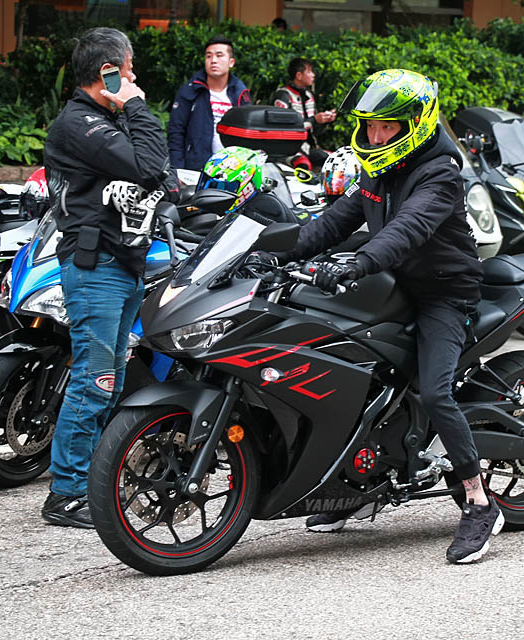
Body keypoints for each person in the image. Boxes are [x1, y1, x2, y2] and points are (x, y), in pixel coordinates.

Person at [277, 69, 501, 564]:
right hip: (395, 286)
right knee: (343, 365)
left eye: (387, 127)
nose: (375, 136)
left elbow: (407, 228)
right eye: (370, 126)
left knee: (433, 389)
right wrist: (276, 250)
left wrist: (356, 263)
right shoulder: (381, 165)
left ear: (415, 123)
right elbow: (337, 219)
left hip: (443, 292)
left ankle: (479, 501)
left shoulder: (439, 172)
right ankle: (356, 485)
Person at [41, 27, 178, 528]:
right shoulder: (80, 123)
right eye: (130, 68)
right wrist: (138, 107)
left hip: (124, 265)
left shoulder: (104, 122)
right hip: (94, 268)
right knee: (94, 381)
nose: (135, 78)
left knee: (112, 377)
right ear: (109, 73)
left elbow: (164, 179)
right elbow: (149, 165)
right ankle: (67, 493)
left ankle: (90, 480)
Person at [167, 35, 251, 171]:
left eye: (219, 55)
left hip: (232, 169)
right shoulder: (190, 90)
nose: (213, 61)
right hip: (195, 168)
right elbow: (176, 132)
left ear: (231, 62)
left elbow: (247, 135)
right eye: (208, 56)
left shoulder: (241, 94)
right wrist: (177, 169)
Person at [273, 57, 336, 171]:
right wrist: (314, 120)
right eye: (309, 72)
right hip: (288, 150)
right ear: (299, 75)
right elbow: (282, 128)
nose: (313, 75)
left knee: (335, 160)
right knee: (302, 164)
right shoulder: (283, 95)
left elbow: (315, 131)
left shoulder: (309, 94)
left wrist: (324, 121)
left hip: (309, 148)